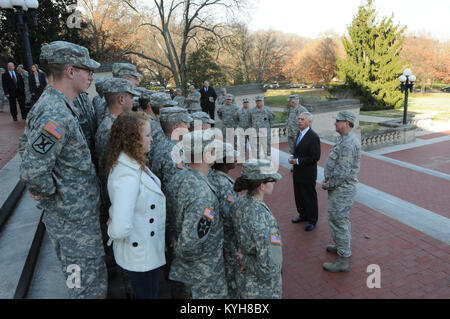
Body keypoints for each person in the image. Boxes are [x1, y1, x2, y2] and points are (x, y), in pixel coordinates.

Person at [18, 40, 107, 298]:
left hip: (76, 220)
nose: (91, 76)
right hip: (72, 225)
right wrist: (48, 191)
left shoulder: (59, 105)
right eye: (86, 70)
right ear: (70, 72)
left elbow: (25, 143)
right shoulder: (55, 112)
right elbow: (33, 169)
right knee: (85, 289)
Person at [106, 111, 166, 299]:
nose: (151, 139)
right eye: (147, 135)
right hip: (141, 254)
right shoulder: (127, 174)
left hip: (146, 250)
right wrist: (112, 225)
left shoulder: (133, 163)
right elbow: (120, 228)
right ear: (133, 139)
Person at [169, 130, 228, 298]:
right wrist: (179, 248)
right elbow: (189, 245)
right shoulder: (203, 194)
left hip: (188, 274)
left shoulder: (178, 178)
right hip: (203, 280)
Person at [230, 159, 283, 299]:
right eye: (272, 180)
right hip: (262, 289)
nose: (274, 183)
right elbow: (269, 268)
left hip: (244, 281)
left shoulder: (238, 203)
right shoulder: (263, 219)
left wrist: (243, 258)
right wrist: (245, 260)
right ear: (261, 186)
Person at [321, 111, 361, 273]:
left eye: (337, 121)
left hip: (342, 190)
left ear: (346, 123)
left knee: (339, 222)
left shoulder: (349, 143)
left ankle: (343, 260)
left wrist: (328, 184)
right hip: (339, 188)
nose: (335, 123)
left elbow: (342, 171)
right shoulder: (344, 140)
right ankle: (340, 246)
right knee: (338, 220)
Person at [208, 142, 239, 298]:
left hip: (217, 238)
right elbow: (231, 216)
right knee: (232, 275)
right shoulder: (225, 185)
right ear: (224, 160)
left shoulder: (211, 175)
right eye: (232, 155)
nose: (236, 157)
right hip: (228, 240)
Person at [289, 112, 321, 231]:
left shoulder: (313, 137)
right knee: (299, 195)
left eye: (302, 119)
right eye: (299, 119)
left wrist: (297, 161)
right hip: (298, 172)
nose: (299, 121)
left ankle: (312, 220)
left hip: (308, 173)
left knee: (309, 197)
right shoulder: (299, 133)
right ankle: (303, 215)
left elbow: (315, 157)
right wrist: (293, 156)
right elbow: (298, 150)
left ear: (309, 122)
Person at [93, 63, 142, 127]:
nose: (137, 83)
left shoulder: (104, 96)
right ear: (126, 79)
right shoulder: (110, 99)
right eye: (135, 78)